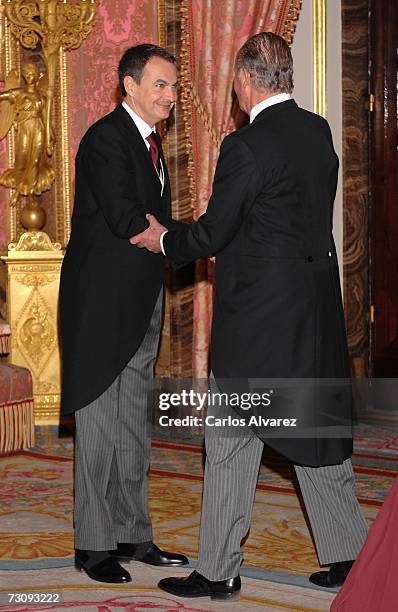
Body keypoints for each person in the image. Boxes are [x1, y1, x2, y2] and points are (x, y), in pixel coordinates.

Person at [130, 32, 369, 601]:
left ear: (243, 81)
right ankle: (349, 559)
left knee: (234, 439)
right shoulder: (317, 131)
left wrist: (165, 239)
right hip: (313, 316)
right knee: (315, 433)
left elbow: (214, 231)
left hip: (261, 323)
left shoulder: (247, 145)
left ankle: (217, 570)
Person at [59, 44, 188, 584]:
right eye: (160, 85)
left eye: (175, 87)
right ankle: (92, 545)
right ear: (128, 86)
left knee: (134, 421)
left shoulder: (153, 144)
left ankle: (134, 534)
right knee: (99, 424)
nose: (170, 96)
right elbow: (126, 219)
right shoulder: (104, 140)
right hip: (101, 304)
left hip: (142, 301)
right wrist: (187, 241)